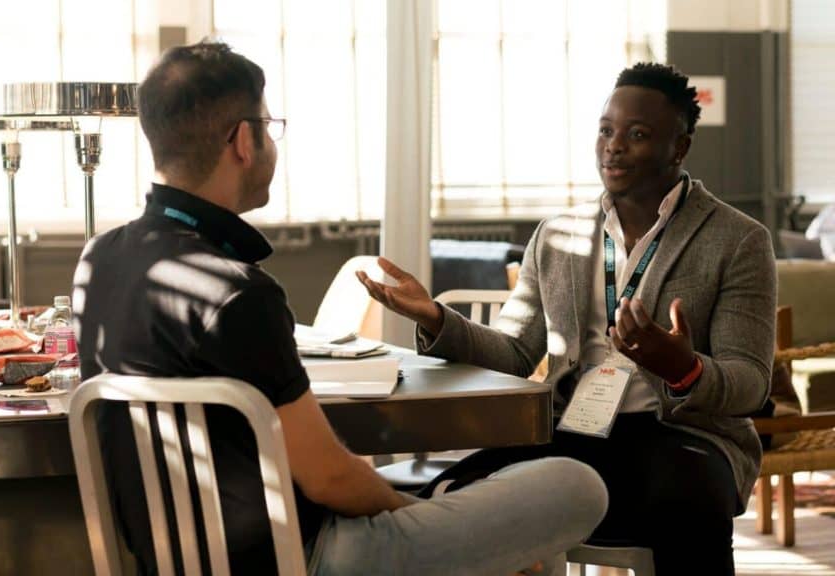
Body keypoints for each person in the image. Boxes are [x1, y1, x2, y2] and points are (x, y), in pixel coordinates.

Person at [73, 41, 607, 576]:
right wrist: (419, 519)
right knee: (576, 485)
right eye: (268, 124)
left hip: (169, 562)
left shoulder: (100, 259)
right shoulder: (240, 293)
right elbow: (330, 479)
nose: (272, 144)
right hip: (306, 560)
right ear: (241, 140)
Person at [358, 63, 776, 576]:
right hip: (572, 431)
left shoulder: (737, 239)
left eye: (637, 134)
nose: (613, 146)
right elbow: (514, 352)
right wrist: (438, 318)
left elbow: (751, 383)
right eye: (606, 131)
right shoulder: (558, 234)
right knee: (452, 494)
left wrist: (683, 368)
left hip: (681, 437)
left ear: (680, 148)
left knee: (689, 504)